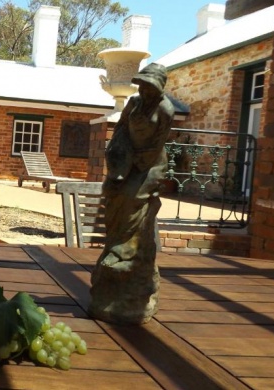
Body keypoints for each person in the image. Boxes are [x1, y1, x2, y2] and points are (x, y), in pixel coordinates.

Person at [89, 62, 174, 324]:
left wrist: (137, 165)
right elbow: (121, 130)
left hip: (151, 165)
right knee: (112, 191)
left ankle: (126, 253)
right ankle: (114, 245)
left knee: (132, 197)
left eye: (150, 86)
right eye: (143, 85)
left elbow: (158, 142)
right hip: (127, 161)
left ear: (159, 87)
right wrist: (119, 159)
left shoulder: (165, 108)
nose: (145, 90)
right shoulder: (134, 102)